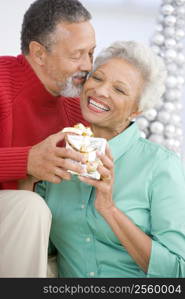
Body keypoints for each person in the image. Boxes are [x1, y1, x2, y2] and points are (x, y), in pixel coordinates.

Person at [36, 40, 185, 278]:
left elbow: (177, 271)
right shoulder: (59, 155)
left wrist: (108, 208)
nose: (101, 91)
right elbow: (38, 250)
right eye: (97, 78)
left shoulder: (161, 165)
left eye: (119, 89)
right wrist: (30, 173)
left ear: (137, 110)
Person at [0, 0, 96, 277]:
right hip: (20, 216)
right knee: (28, 208)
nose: (87, 65)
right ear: (39, 53)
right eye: (76, 55)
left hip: (36, 235)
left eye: (91, 52)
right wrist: (26, 161)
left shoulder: (79, 106)